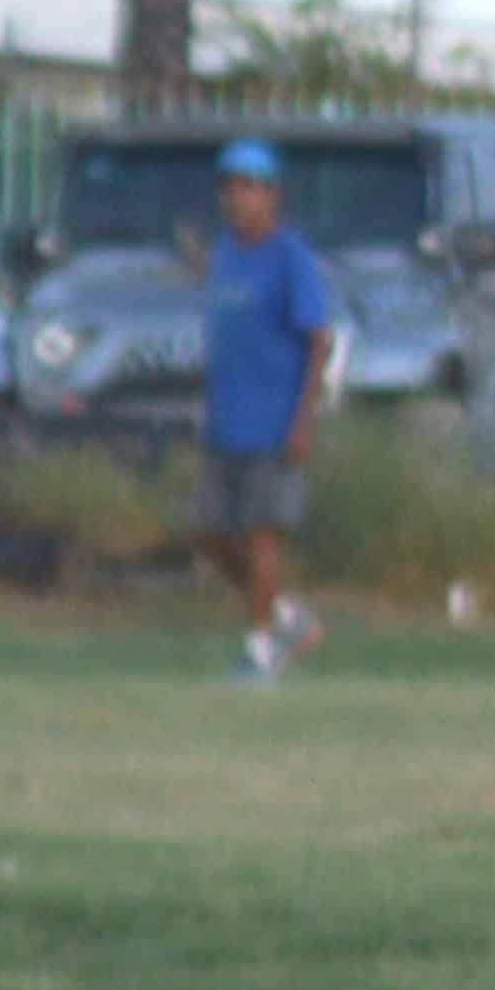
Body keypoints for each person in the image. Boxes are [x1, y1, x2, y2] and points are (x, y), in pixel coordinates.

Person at [191, 138, 335, 683]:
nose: (236, 199)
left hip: (274, 421)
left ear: (271, 195)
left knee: (260, 533)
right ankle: (286, 616)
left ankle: (261, 648)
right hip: (227, 418)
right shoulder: (225, 254)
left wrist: (304, 419)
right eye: (228, 187)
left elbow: (318, 339)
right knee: (207, 532)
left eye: (249, 187)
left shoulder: (289, 257)